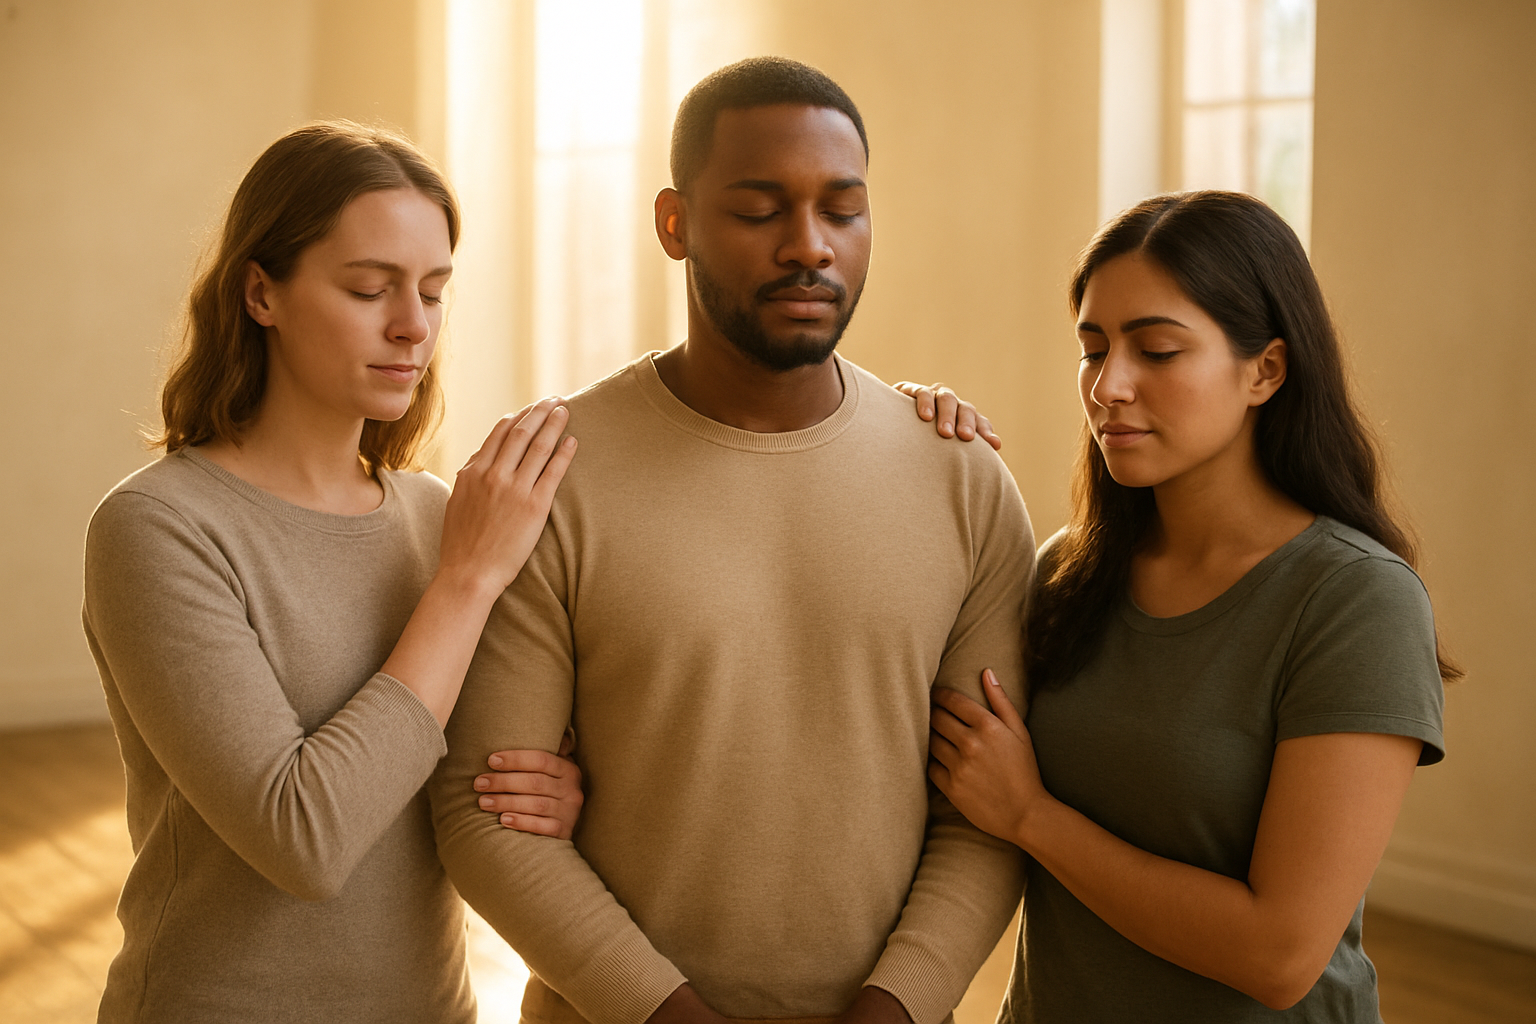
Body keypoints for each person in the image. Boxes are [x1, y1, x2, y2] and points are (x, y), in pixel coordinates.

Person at [430, 57, 1034, 1024]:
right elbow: (486, 814)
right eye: (761, 210)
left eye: (842, 210)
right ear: (676, 224)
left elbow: (986, 815)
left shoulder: (962, 477)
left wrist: (897, 1009)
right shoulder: (551, 477)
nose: (811, 247)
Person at [81, 122, 586, 1023]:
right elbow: (304, 837)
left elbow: (460, 764)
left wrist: (555, 787)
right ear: (261, 292)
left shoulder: (437, 516)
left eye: (434, 293)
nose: (412, 325)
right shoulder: (156, 529)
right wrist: (464, 582)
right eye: (369, 288)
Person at [924, 191, 1451, 1023]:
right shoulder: (1066, 571)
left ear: (1266, 370)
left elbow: (1278, 956)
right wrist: (906, 442)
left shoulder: (1357, 600)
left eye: (1158, 351)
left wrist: (1032, 816)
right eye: (1092, 350)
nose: (1109, 386)